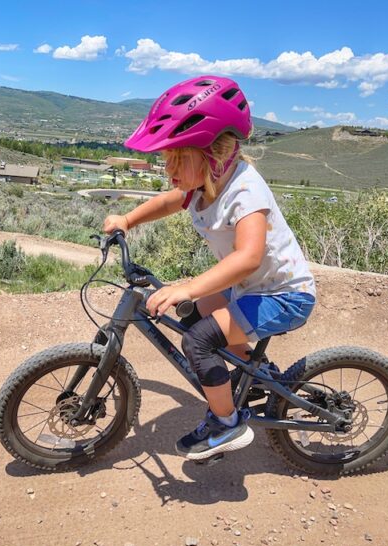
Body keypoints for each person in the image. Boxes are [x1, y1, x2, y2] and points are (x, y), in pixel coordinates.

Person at [103, 75, 316, 461]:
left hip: (283, 296)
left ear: (215, 153)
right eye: (168, 160)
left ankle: (227, 423)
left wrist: (189, 287)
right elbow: (171, 200)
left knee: (198, 340)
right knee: (191, 315)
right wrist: (128, 220)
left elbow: (249, 257)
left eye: (178, 159)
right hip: (252, 288)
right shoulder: (206, 183)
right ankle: (255, 375)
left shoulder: (245, 191)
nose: (170, 170)